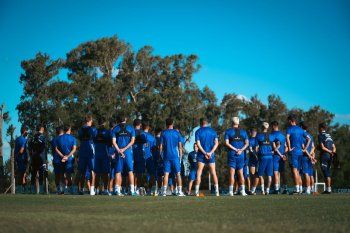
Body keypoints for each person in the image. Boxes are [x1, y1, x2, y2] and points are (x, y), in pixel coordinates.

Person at [194, 118, 220, 196]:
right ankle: (217, 192)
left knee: (199, 173)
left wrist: (205, 153)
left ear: (200, 123)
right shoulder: (213, 131)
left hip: (201, 154)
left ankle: (196, 192)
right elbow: (216, 143)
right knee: (213, 172)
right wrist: (210, 153)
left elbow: (198, 144)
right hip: (211, 155)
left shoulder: (198, 131)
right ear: (207, 123)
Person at [159, 118, 185, 196]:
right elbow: (180, 146)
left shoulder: (163, 133)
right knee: (178, 174)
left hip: (166, 156)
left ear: (166, 124)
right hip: (175, 156)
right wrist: (180, 156)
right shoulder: (177, 133)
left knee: (166, 174)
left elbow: (160, 147)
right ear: (172, 123)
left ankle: (163, 192)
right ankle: (179, 191)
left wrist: (161, 156)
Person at [111, 115, 136, 196]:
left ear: (118, 119)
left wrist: (119, 150)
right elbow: (132, 141)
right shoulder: (131, 128)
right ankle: (132, 190)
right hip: (128, 152)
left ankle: (117, 190)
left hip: (119, 152)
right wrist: (124, 149)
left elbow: (113, 142)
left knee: (118, 171)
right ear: (125, 119)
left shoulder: (115, 129)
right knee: (130, 171)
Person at [286, 114, 311, 194]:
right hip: (300, 153)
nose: (288, 122)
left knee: (294, 170)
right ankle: (299, 188)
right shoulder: (300, 129)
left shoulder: (289, 129)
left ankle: (297, 189)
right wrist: (305, 149)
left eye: (288, 120)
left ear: (290, 121)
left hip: (293, 152)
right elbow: (309, 139)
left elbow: (287, 137)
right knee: (298, 171)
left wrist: (289, 147)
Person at [224, 117, 249, 196]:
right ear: (238, 123)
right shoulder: (244, 132)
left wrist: (235, 149)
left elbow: (227, 143)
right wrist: (241, 150)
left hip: (232, 154)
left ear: (232, 122)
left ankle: (231, 192)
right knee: (241, 173)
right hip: (241, 154)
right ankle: (243, 191)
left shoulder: (228, 131)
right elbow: (247, 143)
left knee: (232, 173)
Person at [251, 122, 276, 195]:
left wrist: (257, 154)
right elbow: (277, 144)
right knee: (269, 175)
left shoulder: (258, 136)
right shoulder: (272, 136)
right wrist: (273, 151)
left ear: (262, 127)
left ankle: (252, 190)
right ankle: (267, 190)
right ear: (268, 128)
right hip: (270, 157)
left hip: (262, 157)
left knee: (258, 174)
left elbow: (256, 148)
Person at [77, 115, 97, 195]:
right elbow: (94, 136)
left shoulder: (80, 130)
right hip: (90, 150)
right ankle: (92, 189)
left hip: (82, 150)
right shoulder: (92, 129)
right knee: (92, 170)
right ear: (89, 121)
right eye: (91, 121)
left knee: (81, 171)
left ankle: (81, 189)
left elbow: (79, 137)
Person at [55, 125, 77, 194]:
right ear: (69, 129)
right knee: (68, 175)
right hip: (69, 159)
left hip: (61, 159)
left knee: (61, 174)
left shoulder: (59, 138)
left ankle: (64, 189)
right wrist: (67, 156)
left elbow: (56, 149)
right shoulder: (73, 138)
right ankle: (70, 189)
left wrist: (62, 156)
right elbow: (74, 149)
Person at [93, 118, 111, 195]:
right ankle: (105, 189)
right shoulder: (107, 132)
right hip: (104, 154)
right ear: (105, 123)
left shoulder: (95, 131)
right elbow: (110, 143)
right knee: (105, 173)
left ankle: (96, 189)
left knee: (97, 173)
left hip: (96, 154)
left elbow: (92, 141)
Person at [318, 122, 336, 194]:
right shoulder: (329, 135)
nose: (318, 129)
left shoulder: (320, 135)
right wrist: (332, 153)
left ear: (321, 128)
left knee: (326, 172)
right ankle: (328, 189)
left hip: (324, 155)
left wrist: (329, 151)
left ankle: (328, 189)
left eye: (319, 128)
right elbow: (334, 147)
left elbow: (322, 147)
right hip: (330, 156)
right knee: (327, 172)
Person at [28, 125, 47, 194]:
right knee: (41, 173)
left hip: (33, 157)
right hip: (41, 157)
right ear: (42, 129)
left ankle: (32, 190)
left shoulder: (32, 137)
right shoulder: (43, 137)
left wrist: (32, 155)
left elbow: (29, 147)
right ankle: (41, 190)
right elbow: (43, 147)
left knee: (33, 173)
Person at [270, 121, 288, 194]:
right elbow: (286, 147)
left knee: (276, 172)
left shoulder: (272, 135)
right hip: (283, 156)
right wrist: (284, 155)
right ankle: (285, 189)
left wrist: (281, 155)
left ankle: (276, 189)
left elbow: (275, 148)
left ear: (274, 126)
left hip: (276, 156)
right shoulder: (282, 135)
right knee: (283, 173)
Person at [299, 122, 316, 195]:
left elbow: (303, 148)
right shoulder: (310, 136)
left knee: (305, 173)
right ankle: (312, 189)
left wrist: (309, 156)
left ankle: (308, 190)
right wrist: (312, 156)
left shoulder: (302, 136)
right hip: (310, 157)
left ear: (301, 127)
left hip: (305, 156)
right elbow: (313, 147)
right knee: (310, 174)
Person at [141, 120, 156, 194]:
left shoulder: (138, 135)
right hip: (149, 157)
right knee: (151, 174)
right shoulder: (152, 137)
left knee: (138, 173)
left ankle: (138, 188)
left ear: (142, 126)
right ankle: (149, 189)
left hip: (140, 157)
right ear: (148, 127)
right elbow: (154, 149)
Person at [14, 125, 29, 193]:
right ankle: (20, 189)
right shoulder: (23, 140)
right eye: (27, 131)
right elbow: (21, 150)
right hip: (22, 159)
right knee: (22, 174)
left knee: (22, 174)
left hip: (18, 159)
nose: (27, 133)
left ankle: (23, 188)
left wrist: (16, 157)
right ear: (24, 131)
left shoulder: (17, 139)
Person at [133, 119, 145, 194]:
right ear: (140, 124)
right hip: (139, 154)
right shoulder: (142, 133)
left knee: (132, 172)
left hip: (132, 153)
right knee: (139, 172)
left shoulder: (131, 131)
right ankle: (137, 188)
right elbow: (145, 141)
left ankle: (131, 188)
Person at [52, 126, 65, 194]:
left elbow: (53, 150)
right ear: (62, 131)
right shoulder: (63, 139)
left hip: (55, 159)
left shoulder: (54, 139)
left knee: (57, 175)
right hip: (62, 159)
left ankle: (58, 189)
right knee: (62, 175)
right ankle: (63, 189)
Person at [153, 128, 163, 195]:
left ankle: (154, 190)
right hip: (160, 158)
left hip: (153, 158)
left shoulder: (153, 139)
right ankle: (159, 190)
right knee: (160, 175)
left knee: (154, 174)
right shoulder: (162, 139)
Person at [247, 128, 258, 195]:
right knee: (258, 174)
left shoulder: (250, 140)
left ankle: (252, 189)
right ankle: (260, 190)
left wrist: (255, 155)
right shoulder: (258, 139)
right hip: (257, 158)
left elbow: (250, 150)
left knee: (253, 175)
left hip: (253, 159)